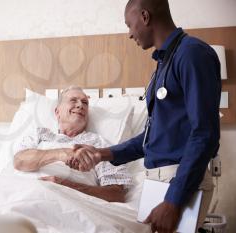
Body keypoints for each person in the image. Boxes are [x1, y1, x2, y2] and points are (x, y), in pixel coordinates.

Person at [68, 0, 221, 232]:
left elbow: (205, 134)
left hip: (179, 181)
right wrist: (102, 154)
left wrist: (173, 201)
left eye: (130, 25)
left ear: (145, 17)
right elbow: (152, 137)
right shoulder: (163, 64)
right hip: (157, 182)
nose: (129, 34)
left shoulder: (192, 54)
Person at [13, 86, 132, 202]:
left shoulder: (99, 144)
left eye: (85, 103)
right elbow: (19, 161)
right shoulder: (40, 134)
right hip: (21, 191)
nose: (81, 105)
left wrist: (66, 186)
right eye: (73, 100)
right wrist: (62, 154)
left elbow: (116, 194)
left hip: (63, 201)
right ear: (57, 111)